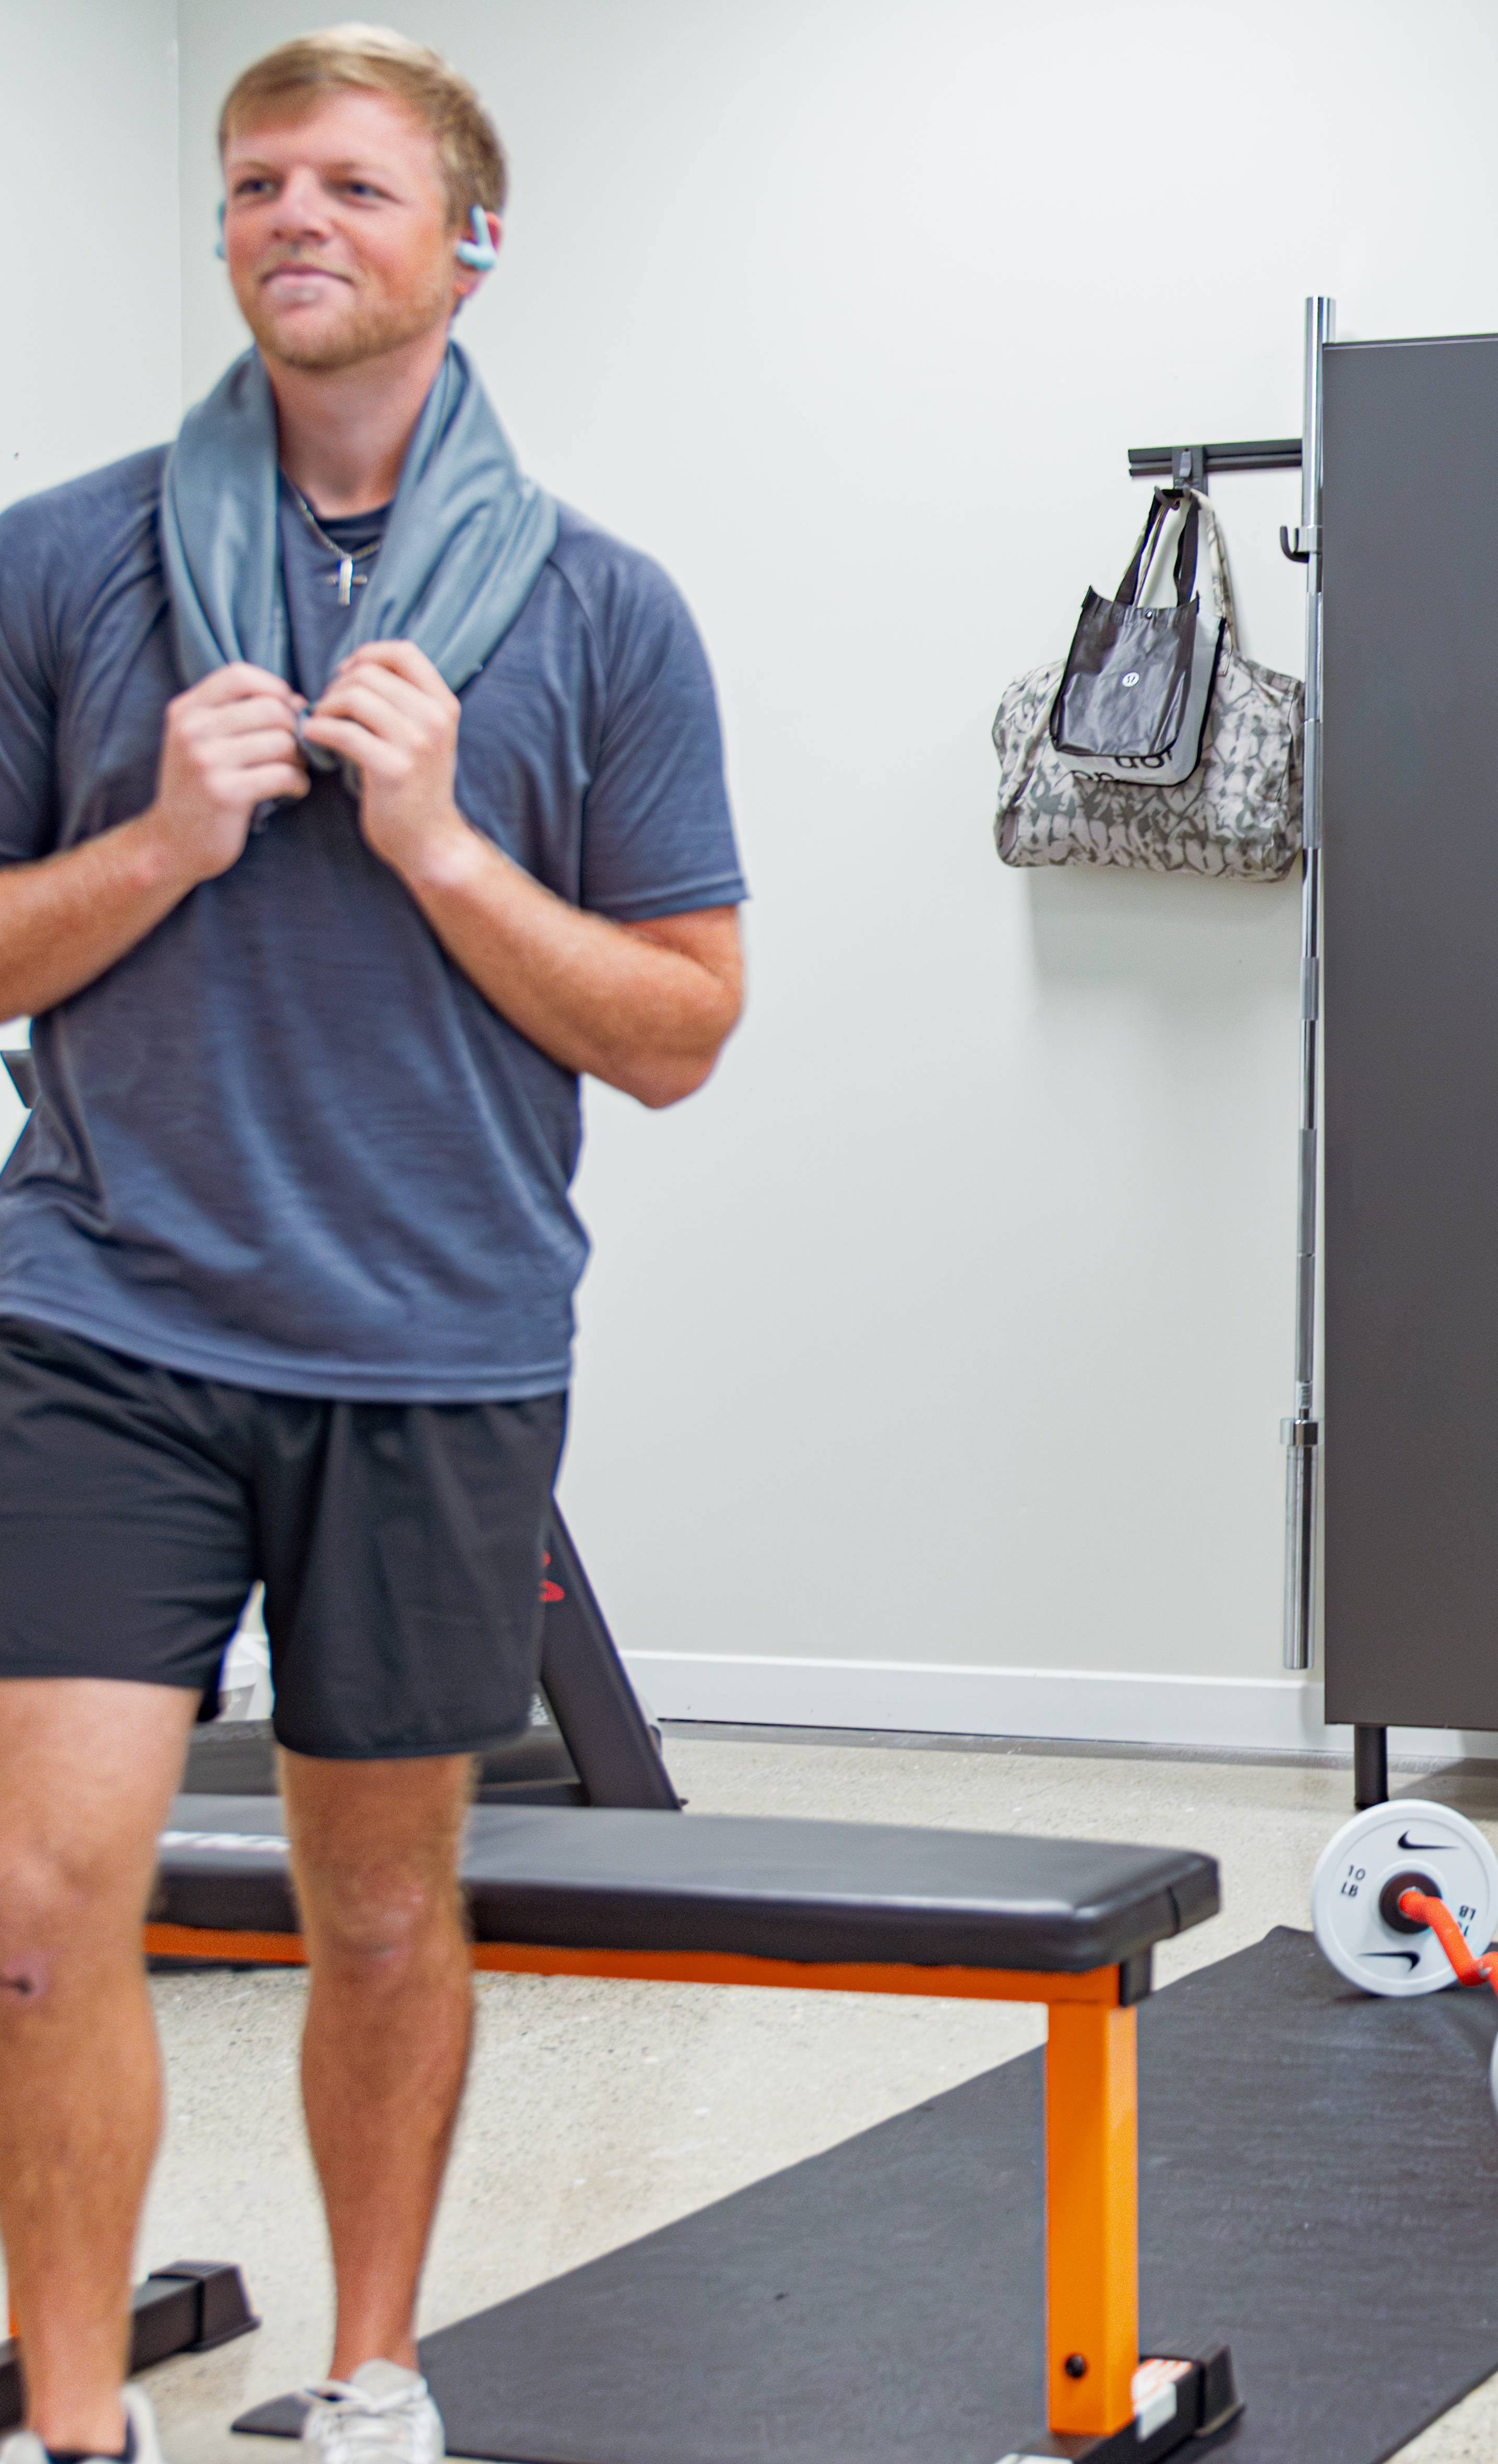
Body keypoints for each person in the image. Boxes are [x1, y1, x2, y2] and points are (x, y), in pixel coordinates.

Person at [0, 29, 745, 2463]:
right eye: (249, 184)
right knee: (41, 1901)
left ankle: (376, 2374)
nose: (287, 216)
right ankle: (77, 2423)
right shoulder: (61, 564)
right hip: (96, 1313)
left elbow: (678, 1028)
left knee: (388, 1909)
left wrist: (434, 842)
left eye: (344, 181)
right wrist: (163, 850)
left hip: (433, 1341)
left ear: (468, 242)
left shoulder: (605, 614)